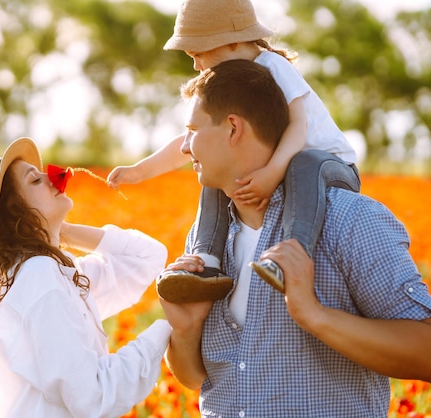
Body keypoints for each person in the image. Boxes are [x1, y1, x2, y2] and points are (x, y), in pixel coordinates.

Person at [160, 59, 431, 416]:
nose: (184, 147)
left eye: (192, 130)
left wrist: (314, 315)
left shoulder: (348, 220)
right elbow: (195, 378)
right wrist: (186, 329)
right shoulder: (205, 240)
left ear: (232, 128)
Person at [107, 0, 360, 300]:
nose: (195, 65)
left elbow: (298, 128)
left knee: (304, 162)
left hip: (330, 167)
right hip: (287, 164)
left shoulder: (272, 66)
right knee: (215, 168)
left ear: (232, 42)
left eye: (198, 53)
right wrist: (140, 170)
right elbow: (195, 139)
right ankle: (207, 261)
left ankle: (291, 257)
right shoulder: (223, 84)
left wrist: (271, 172)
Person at [0, 137, 172, 417]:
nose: (53, 177)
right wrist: (168, 329)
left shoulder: (53, 271)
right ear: (16, 213)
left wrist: (58, 230)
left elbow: (147, 258)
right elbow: (93, 397)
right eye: (35, 180)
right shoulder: (39, 277)